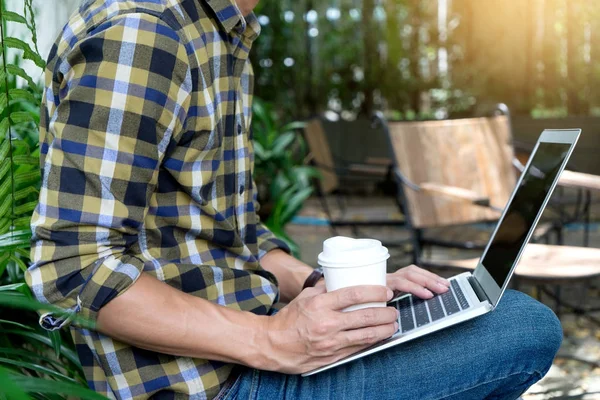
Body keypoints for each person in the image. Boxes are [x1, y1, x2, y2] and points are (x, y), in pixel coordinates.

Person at [26, 0, 563, 398]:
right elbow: (75, 270)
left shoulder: (222, 31)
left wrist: (324, 286)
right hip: (210, 383)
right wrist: (273, 340)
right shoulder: (145, 36)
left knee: (475, 315)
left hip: (251, 343)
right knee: (523, 326)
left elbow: (233, 232)